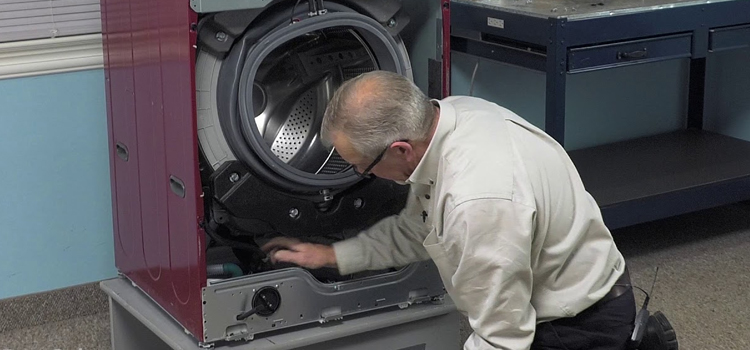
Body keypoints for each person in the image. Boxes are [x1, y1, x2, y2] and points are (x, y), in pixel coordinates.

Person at [261, 71, 636, 350]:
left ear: (400, 150)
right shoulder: (449, 117)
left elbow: (502, 338)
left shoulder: (477, 202)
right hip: (565, 295)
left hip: (574, 328)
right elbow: (418, 229)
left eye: (363, 166)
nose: (362, 175)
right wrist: (330, 255)